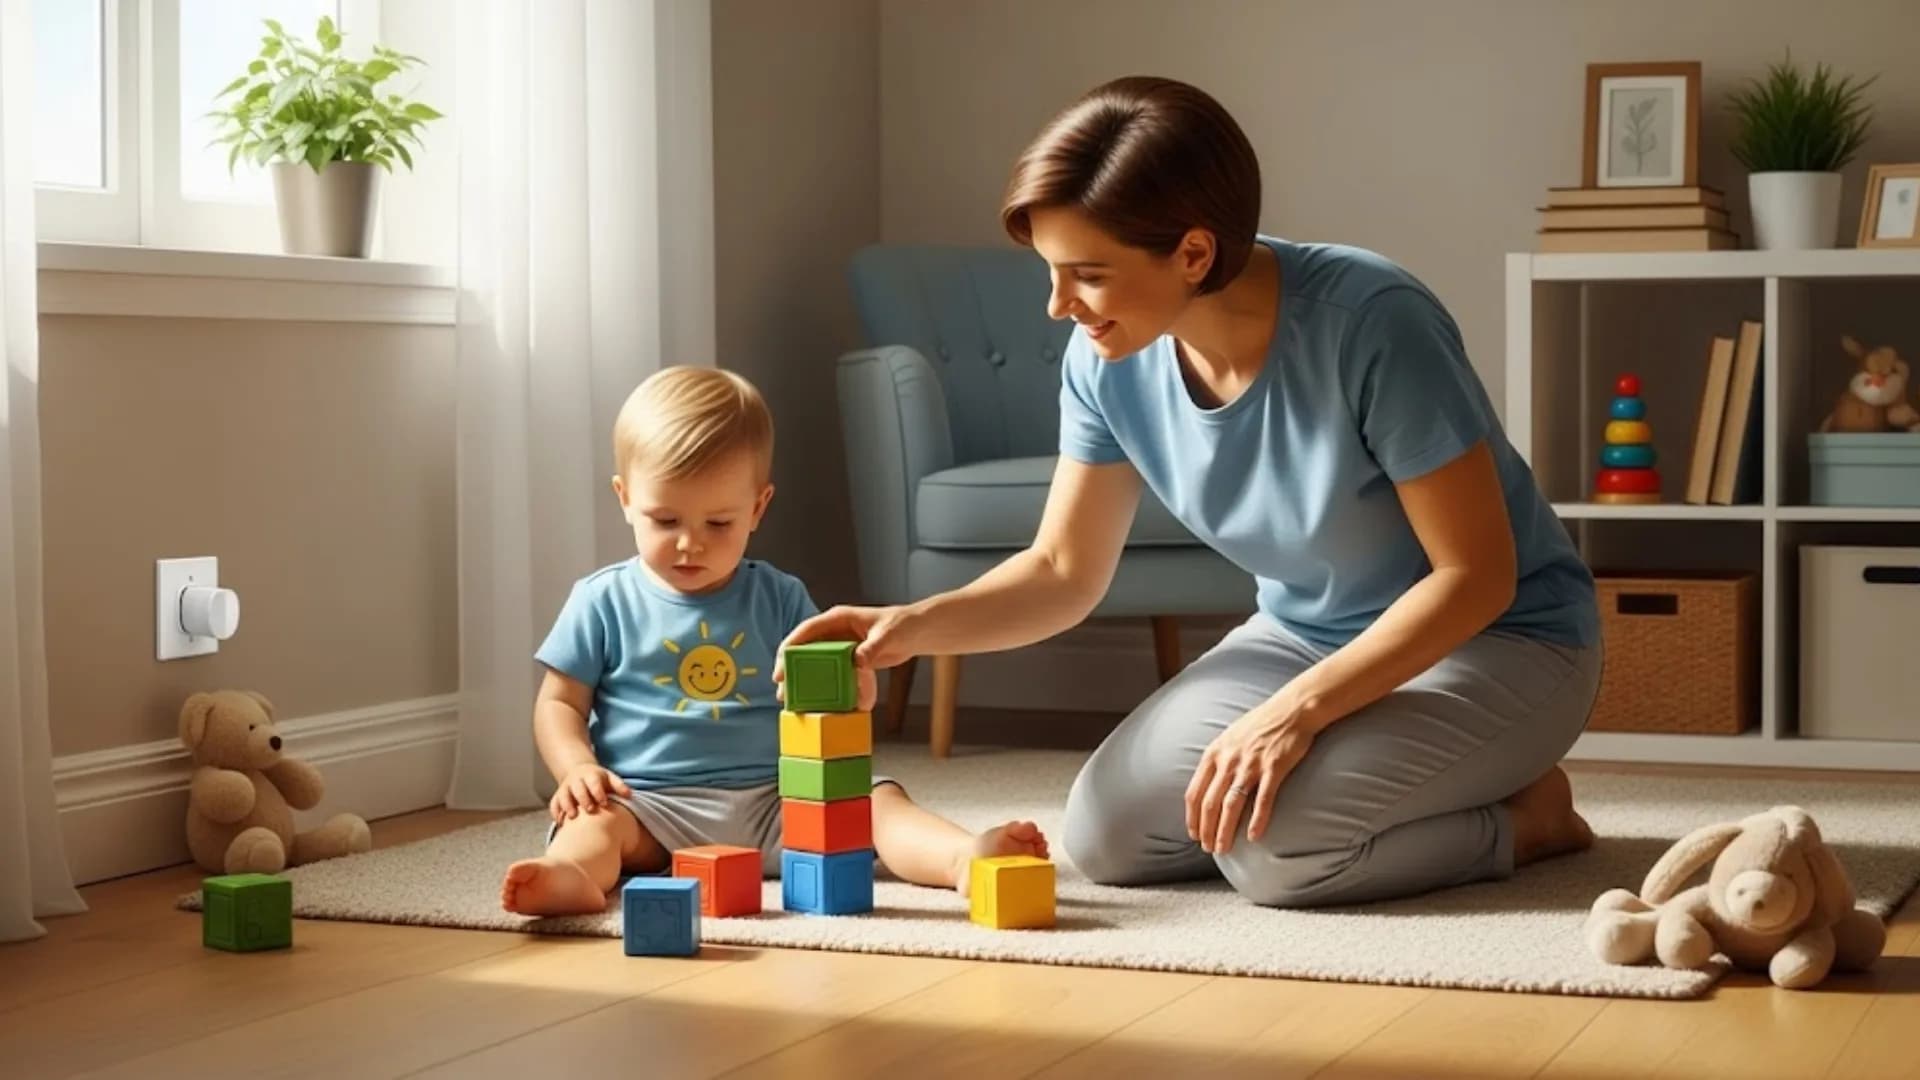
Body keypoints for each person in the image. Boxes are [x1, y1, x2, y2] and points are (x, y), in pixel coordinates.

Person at [780, 75, 1603, 909]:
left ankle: (1530, 819)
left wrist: (1296, 716)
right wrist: (906, 628)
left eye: (1087, 275)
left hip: (1502, 642)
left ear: (1195, 254)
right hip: (1304, 635)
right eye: (1052, 273)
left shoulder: (1374, 322)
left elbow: (1476, 577)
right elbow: (1064, 568)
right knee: (1106, 837)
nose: (1060, 306)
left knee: (1278, 851)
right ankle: (1368, 785)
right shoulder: (1107, 362)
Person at [501, 365, 1046, 916]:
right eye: (665, 520)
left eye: (718, 524)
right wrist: (576, 770)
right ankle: (570, 874)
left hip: (782, 796)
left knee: (877, 802)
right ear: (625, 498)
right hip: (650, 807)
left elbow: (827, 687)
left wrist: (853, 694)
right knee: (592, 822)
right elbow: (559, 702)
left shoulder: (780, 597)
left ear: (757, 508)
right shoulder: (601, 600)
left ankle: (962, 859)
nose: (689, 544)